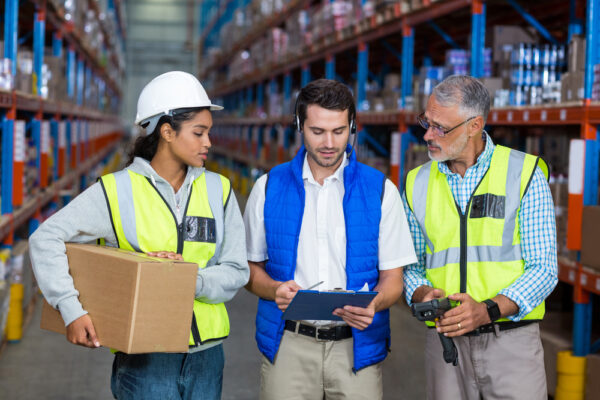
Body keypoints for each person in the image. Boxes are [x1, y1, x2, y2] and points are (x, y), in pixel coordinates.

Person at [29, 71, 250, 399]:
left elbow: (236, 270)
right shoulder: (116, 190)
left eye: (209, 133)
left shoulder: (219, 190)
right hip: (145, 357)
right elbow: (45, 238)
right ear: (167, 132)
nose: (208, 143)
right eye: (199, 132)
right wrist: (71, 309)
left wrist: (189, 279)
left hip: (208, 356)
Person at [243, 78, 417, 400]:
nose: (329, 143)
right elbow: (249, 269)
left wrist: (374, 304)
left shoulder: (380, 191)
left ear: (352, 126)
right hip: (289, 343)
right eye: (317, 131)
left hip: (356, 346)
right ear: (299, 125)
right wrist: (274, 290)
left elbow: (393, 277)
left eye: (339, 131)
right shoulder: (268, 188)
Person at [403, 75, 558, 400]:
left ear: (475, 125)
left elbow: (544, 269)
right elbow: (409, 265)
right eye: (426, 122)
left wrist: (487, 309)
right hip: (445, 343)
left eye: (440, 128)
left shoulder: (523, 173)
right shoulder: (416, 182)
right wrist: (420, 293)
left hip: (510, 343)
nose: (428, 135)